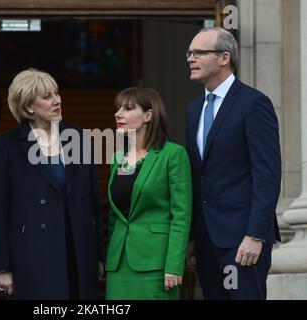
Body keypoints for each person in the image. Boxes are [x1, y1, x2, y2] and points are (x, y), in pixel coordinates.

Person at [0, 68, 104, 300]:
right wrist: (2, 267)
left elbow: (92, 200)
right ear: (29, 107)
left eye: (56, 93)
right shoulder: (6, 146)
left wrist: (98, 255)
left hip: (78, 250)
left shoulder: (77, 136)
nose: (57, 100)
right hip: (33, 252)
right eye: (47, 96)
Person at [184, 27, 281, 300]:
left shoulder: (254, 104)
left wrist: (255, 234)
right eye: (189, 53)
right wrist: (193, 237)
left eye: (199, 52)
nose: (190, 58)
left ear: (224, 57)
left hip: (242, 239)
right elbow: (198, 175)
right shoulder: (193, 109)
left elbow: (267, 174)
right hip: (206, 239)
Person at [105, 87, 192, 300]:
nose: (118, 114)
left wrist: (174, 264)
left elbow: (181, 214)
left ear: (148, 115)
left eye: (127, 108)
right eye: (117, 109)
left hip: (156, 263)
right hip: (118, 265)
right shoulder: (117, 159)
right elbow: (116, 216)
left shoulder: (173, 154)